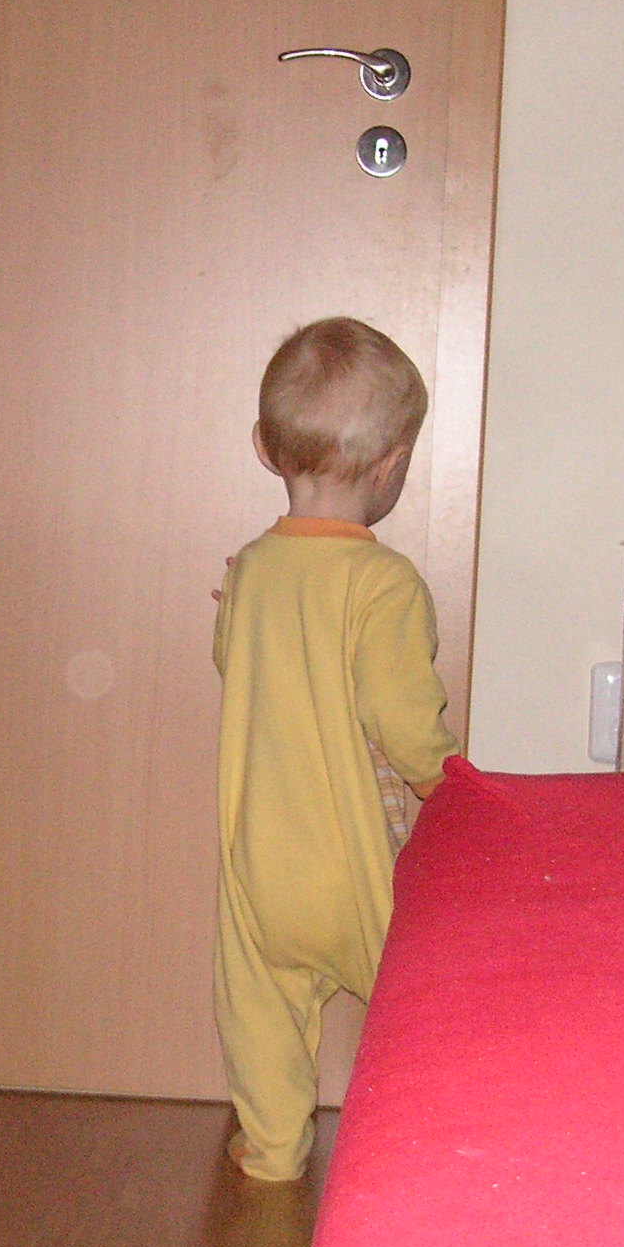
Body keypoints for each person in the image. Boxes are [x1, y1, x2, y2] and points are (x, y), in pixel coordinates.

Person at [211, 317, 458, 1182]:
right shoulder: (383, 583)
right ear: (391, 466)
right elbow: (401, 712)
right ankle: (427, 1141)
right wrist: (448, 782)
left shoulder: (250, 570)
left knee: (261, 1010)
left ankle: (273, 1150)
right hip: (355, 862)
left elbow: (233, 664)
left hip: (260, 864)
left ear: (263, 447)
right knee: (413, 1001)